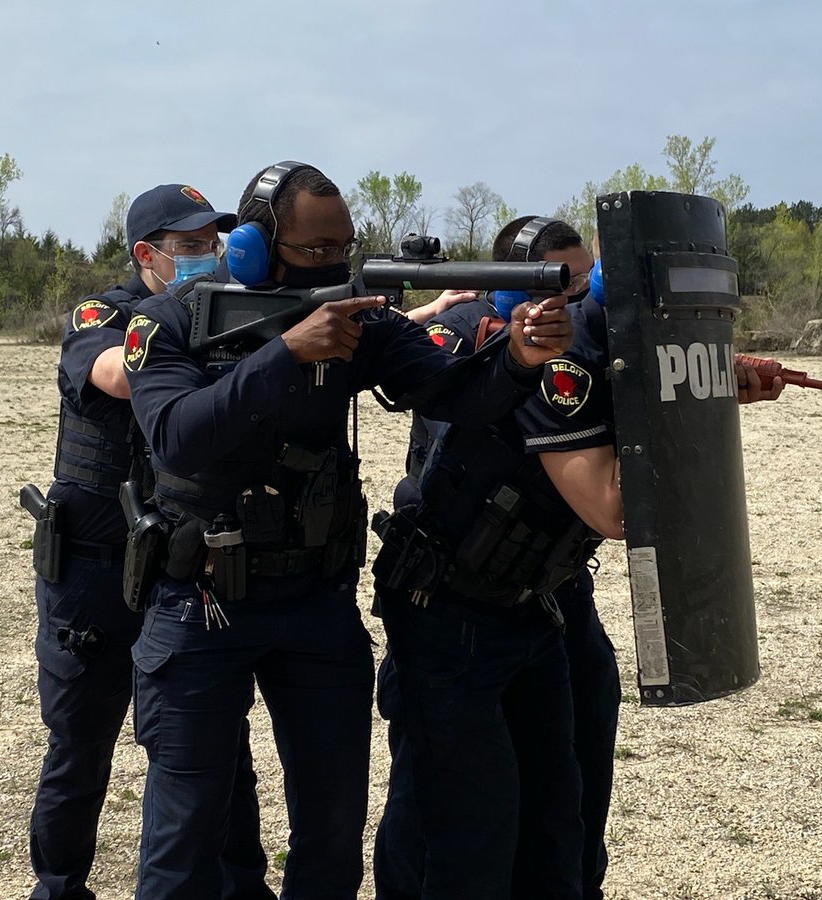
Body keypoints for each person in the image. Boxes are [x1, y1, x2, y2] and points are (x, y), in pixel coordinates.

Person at [120, 160, 572, 900]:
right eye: (315, 251)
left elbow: (451, 391)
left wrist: (519, 358)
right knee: (184, 840)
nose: (333, 265)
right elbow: (175, 436)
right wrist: (285, 353)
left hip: (314, 605)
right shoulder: (165, 323)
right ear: (254, 248)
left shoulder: (355, 321)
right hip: (199, 606)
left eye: (343, 249)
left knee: (331, 836)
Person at [372, 216, 783, 900]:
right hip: (453, 612)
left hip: (537, 601)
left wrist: (700, 384)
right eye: (562, 287)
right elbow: (614, 509)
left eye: (589, 282)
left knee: (558, 812)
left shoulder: (589, 353)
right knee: (461, 825)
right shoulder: (549, 367)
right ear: (515, 298)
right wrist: (683, 402)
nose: (583, 301)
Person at [28, 184, 273, 900]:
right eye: (191, 246)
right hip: (94, 576)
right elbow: (116, 372)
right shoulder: (102, 317)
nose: (208, 256)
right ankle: (60, 887)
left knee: (220, 749)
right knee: (81, 743)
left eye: (213, 244)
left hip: (177, 573)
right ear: (147, 255)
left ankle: (240, 889)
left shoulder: (223, 313)